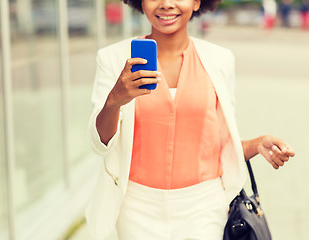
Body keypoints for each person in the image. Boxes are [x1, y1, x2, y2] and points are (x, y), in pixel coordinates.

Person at [86, 0, 295, 238]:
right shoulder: (113, 59)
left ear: (197, 2)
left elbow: (220, 144)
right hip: (136, 207)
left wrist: (256, 144)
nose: (166, 4)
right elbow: (99, 144)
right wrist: (114, 100)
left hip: (203, 205)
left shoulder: (219, 60)